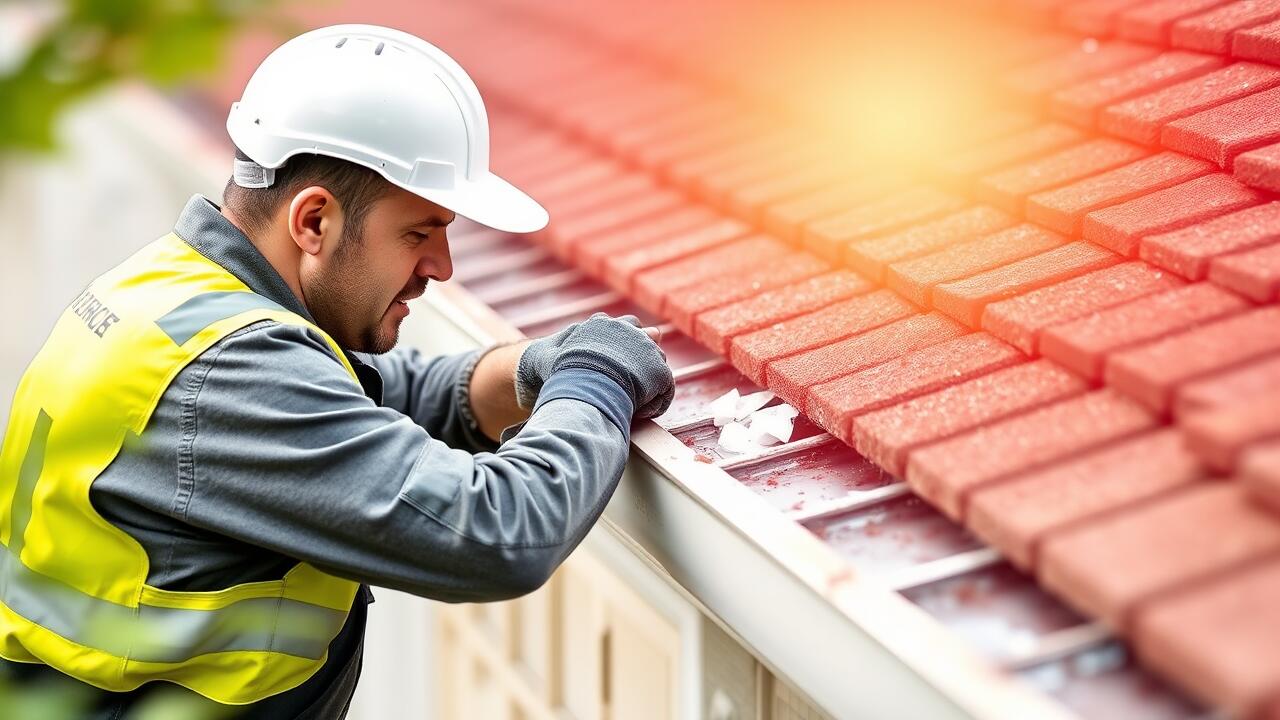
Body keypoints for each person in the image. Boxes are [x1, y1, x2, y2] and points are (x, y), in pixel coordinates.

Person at [0, 23, 674, 719]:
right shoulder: (231, 375)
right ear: (314, 221)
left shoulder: (170, 294)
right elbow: (496, 533)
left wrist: (531, 370)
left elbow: (361, 400)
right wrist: (596, 379)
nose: (441, 267)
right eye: (419, 232)